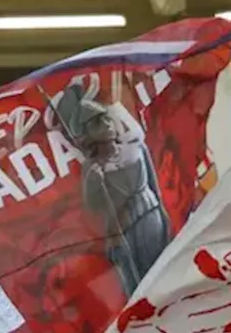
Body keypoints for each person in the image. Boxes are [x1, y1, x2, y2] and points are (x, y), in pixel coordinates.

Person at [56, 82, 169, 297]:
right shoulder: (93, 168)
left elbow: (155, 187)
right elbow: (93, 205)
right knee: (138, 281)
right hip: (123, 226)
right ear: (86, 134)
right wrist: (95, 180)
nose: (106, 124)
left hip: (149, 214)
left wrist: (164, 217)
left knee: (162, 268)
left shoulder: (135, 148)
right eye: (96, 122)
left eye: (105, 118)